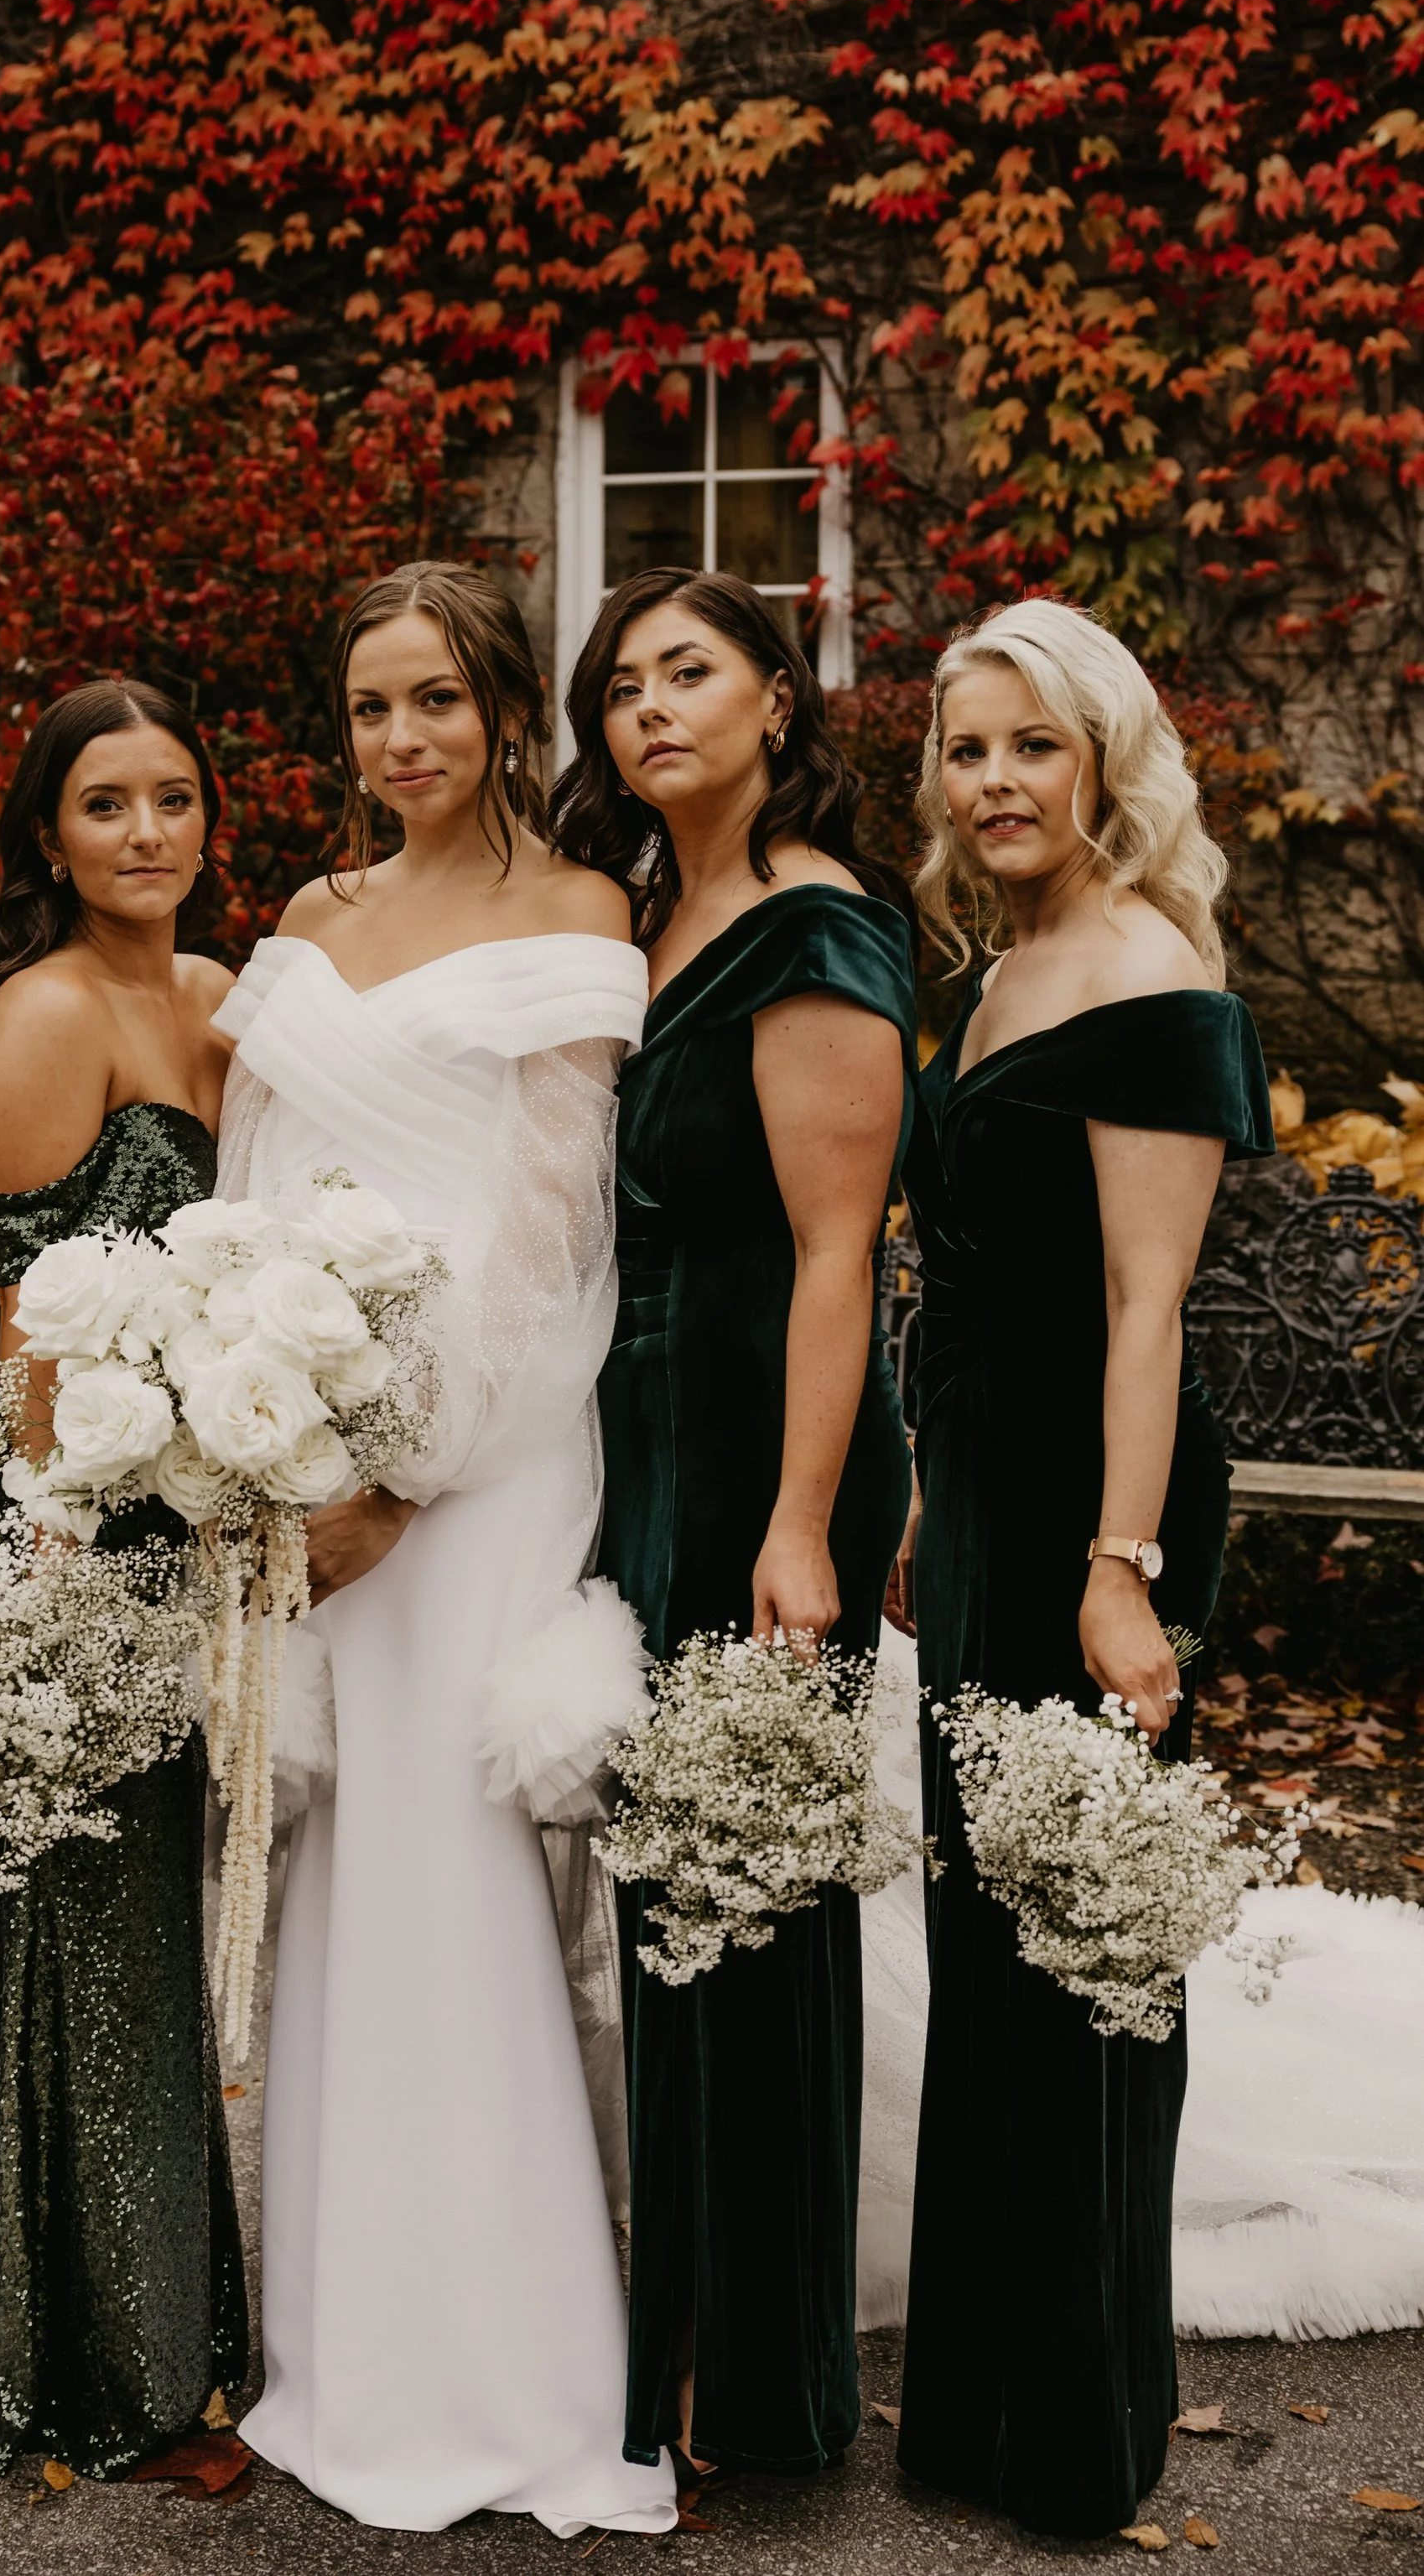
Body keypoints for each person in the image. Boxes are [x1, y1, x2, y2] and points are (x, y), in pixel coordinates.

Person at [218, 560, 677, 2539]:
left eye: (432, 703)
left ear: (501, 712)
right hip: (302, 1477)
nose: (398, 742)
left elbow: (552, 1239)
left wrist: (403, 1470)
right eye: (366, 710)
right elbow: (246, 1200)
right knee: (343, 1888)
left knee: (463, 1890)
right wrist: (261, 1440)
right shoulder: (311, 922)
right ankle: (341, 2355)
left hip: (480, 1471)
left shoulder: (578, 915)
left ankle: (517, 2376)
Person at [887, 596, 1271, 2538]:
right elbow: (952, 1284)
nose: (995, 780)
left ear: (1104, 756)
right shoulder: (996, 966)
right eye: (966, 748)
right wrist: (921, 1504)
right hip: (980, 1492)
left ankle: (1074, 2423)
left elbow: (1145, 1308)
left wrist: (1112, 1567)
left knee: (1079, 1946)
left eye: (1030, 744)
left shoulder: (1142, 968)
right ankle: (972, 2406)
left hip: (1092, 1499)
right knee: (988, 1943)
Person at [552, 565, 915, 2480]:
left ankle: (758, 2392)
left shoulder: (811, 927)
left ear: (779, 699)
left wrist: (798, 1526)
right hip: (641, 1432)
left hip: (764, 1432)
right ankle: (673, 2327)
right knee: (670, 1888)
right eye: (619, 689)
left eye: (687, 673)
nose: (648, 712)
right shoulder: (638, 909)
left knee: (749, 1900)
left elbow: (841, 1251)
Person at [0, 677, 247, 2480]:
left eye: (175, 798)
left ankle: (210, 2315)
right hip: (85, 1522)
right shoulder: (42, 1017)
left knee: (200, 1940)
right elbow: (27, 1326)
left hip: (225, 1508)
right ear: (44, 834)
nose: (147, 834)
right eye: (106, 804)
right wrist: (62, 1568)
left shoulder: (218, 995)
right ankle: (105, 2365)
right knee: (96, 1944)